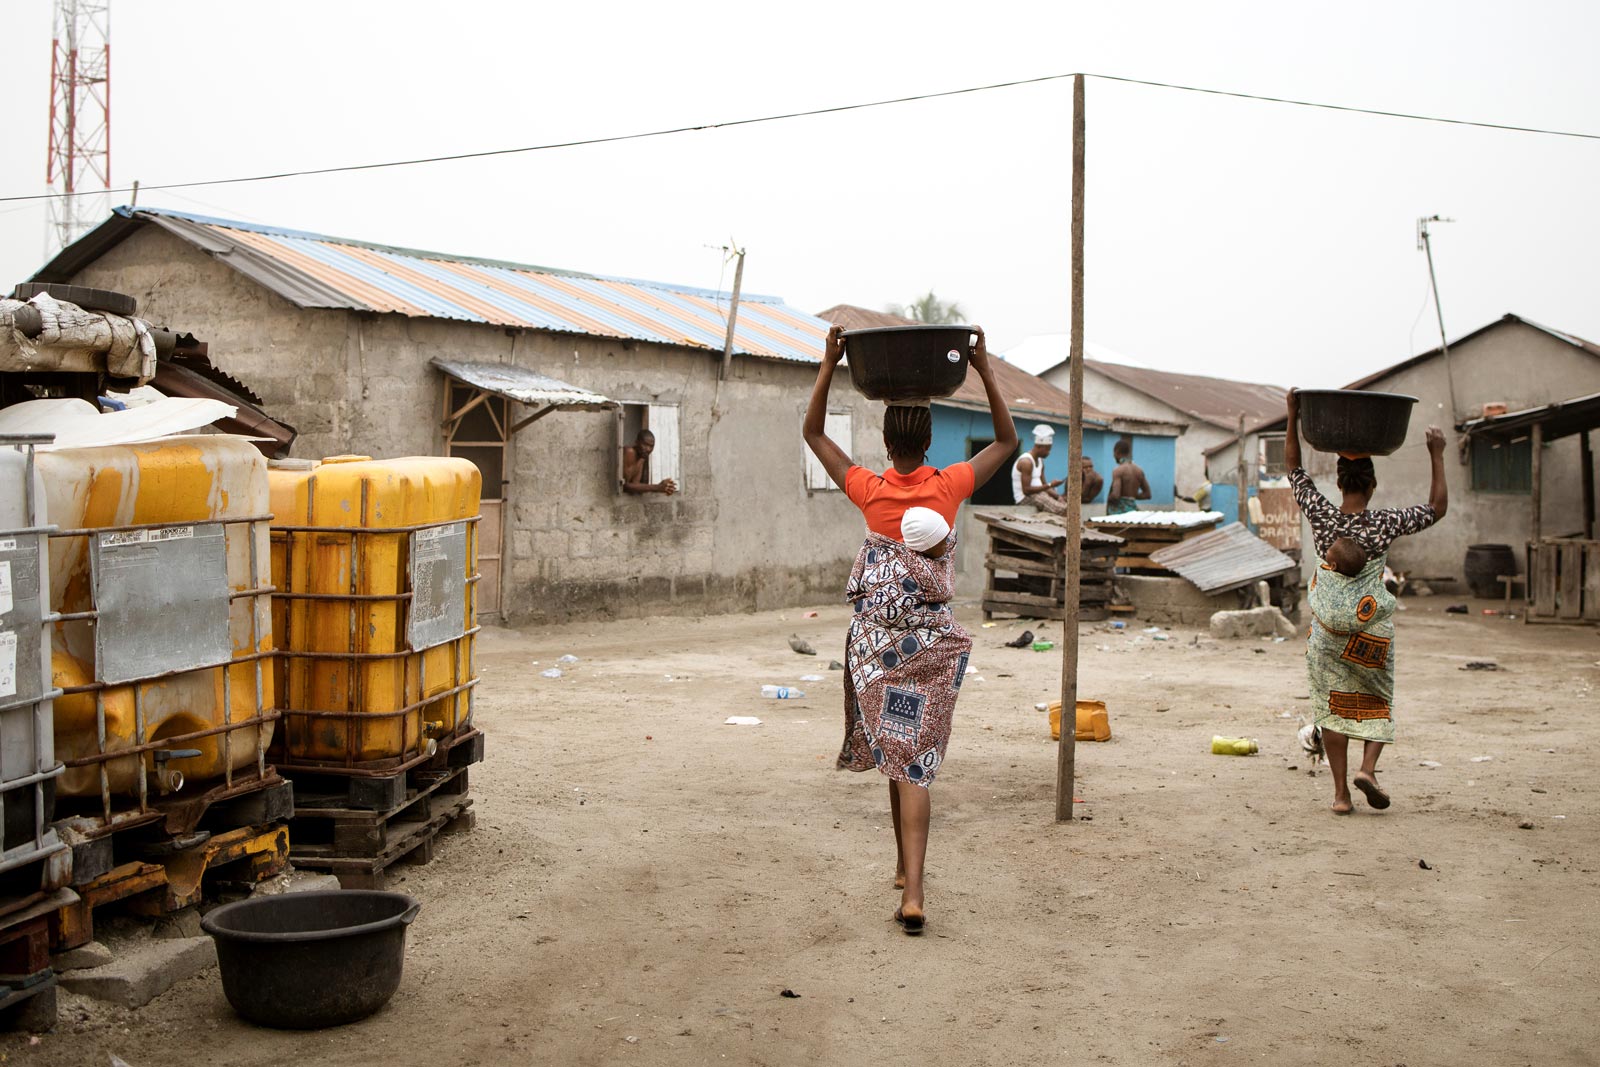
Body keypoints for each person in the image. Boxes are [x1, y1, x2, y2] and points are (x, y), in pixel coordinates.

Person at [803, 323, 1017, 935]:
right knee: (912, 756)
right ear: (928, 441)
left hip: (876, 644)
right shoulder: (948, 487)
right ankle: (912, 882)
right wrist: (982, 367)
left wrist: (829, 364)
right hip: (928, 644)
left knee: (896, 754)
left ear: (885, 440)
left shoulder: (869, 491)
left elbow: (814, 432)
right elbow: (1006, 439)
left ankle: (908, 877)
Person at [1286, 388, 1448, 815]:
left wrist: (1292, 414)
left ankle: (1340, 795)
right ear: (1372, 485)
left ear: (1339, 482)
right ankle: (1369, 770)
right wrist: (1436, 452)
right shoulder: (1385, 522)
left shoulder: (1322, 517)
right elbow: (1436, 508)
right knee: (1378, 698)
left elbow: (1293, 470)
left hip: (1329, 632)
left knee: (1332, 705)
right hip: (1370, 631)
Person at [1012, 425, 1069, 514]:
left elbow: (1044, 485)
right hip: (1025, 498)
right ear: (1039, 446)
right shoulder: (1026, 462)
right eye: (1047, 450)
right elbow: (1026, 490)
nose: (1049, 453)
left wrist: (1058, 497)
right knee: (1063, 510)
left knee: (1067, 505)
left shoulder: (1040, 461)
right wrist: (1050, 485)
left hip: (1039, 494)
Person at [621, 429, 677, 495]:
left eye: (651, 446)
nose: (648, 449)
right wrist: (657, 487)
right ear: (636, 442)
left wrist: (663, 487)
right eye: (645, 444)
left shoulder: (641, 459)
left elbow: (634, 485)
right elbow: (624, 486)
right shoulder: (630, 452)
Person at [1106, 437, 1150, 514]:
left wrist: (1110, 498)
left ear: (1117, 452)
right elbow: (1147, 494)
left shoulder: (1118, 470)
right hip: (1133, 511)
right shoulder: (1139, 470)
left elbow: (1116, 495)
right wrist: (1131, 496)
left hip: (1119, 514)